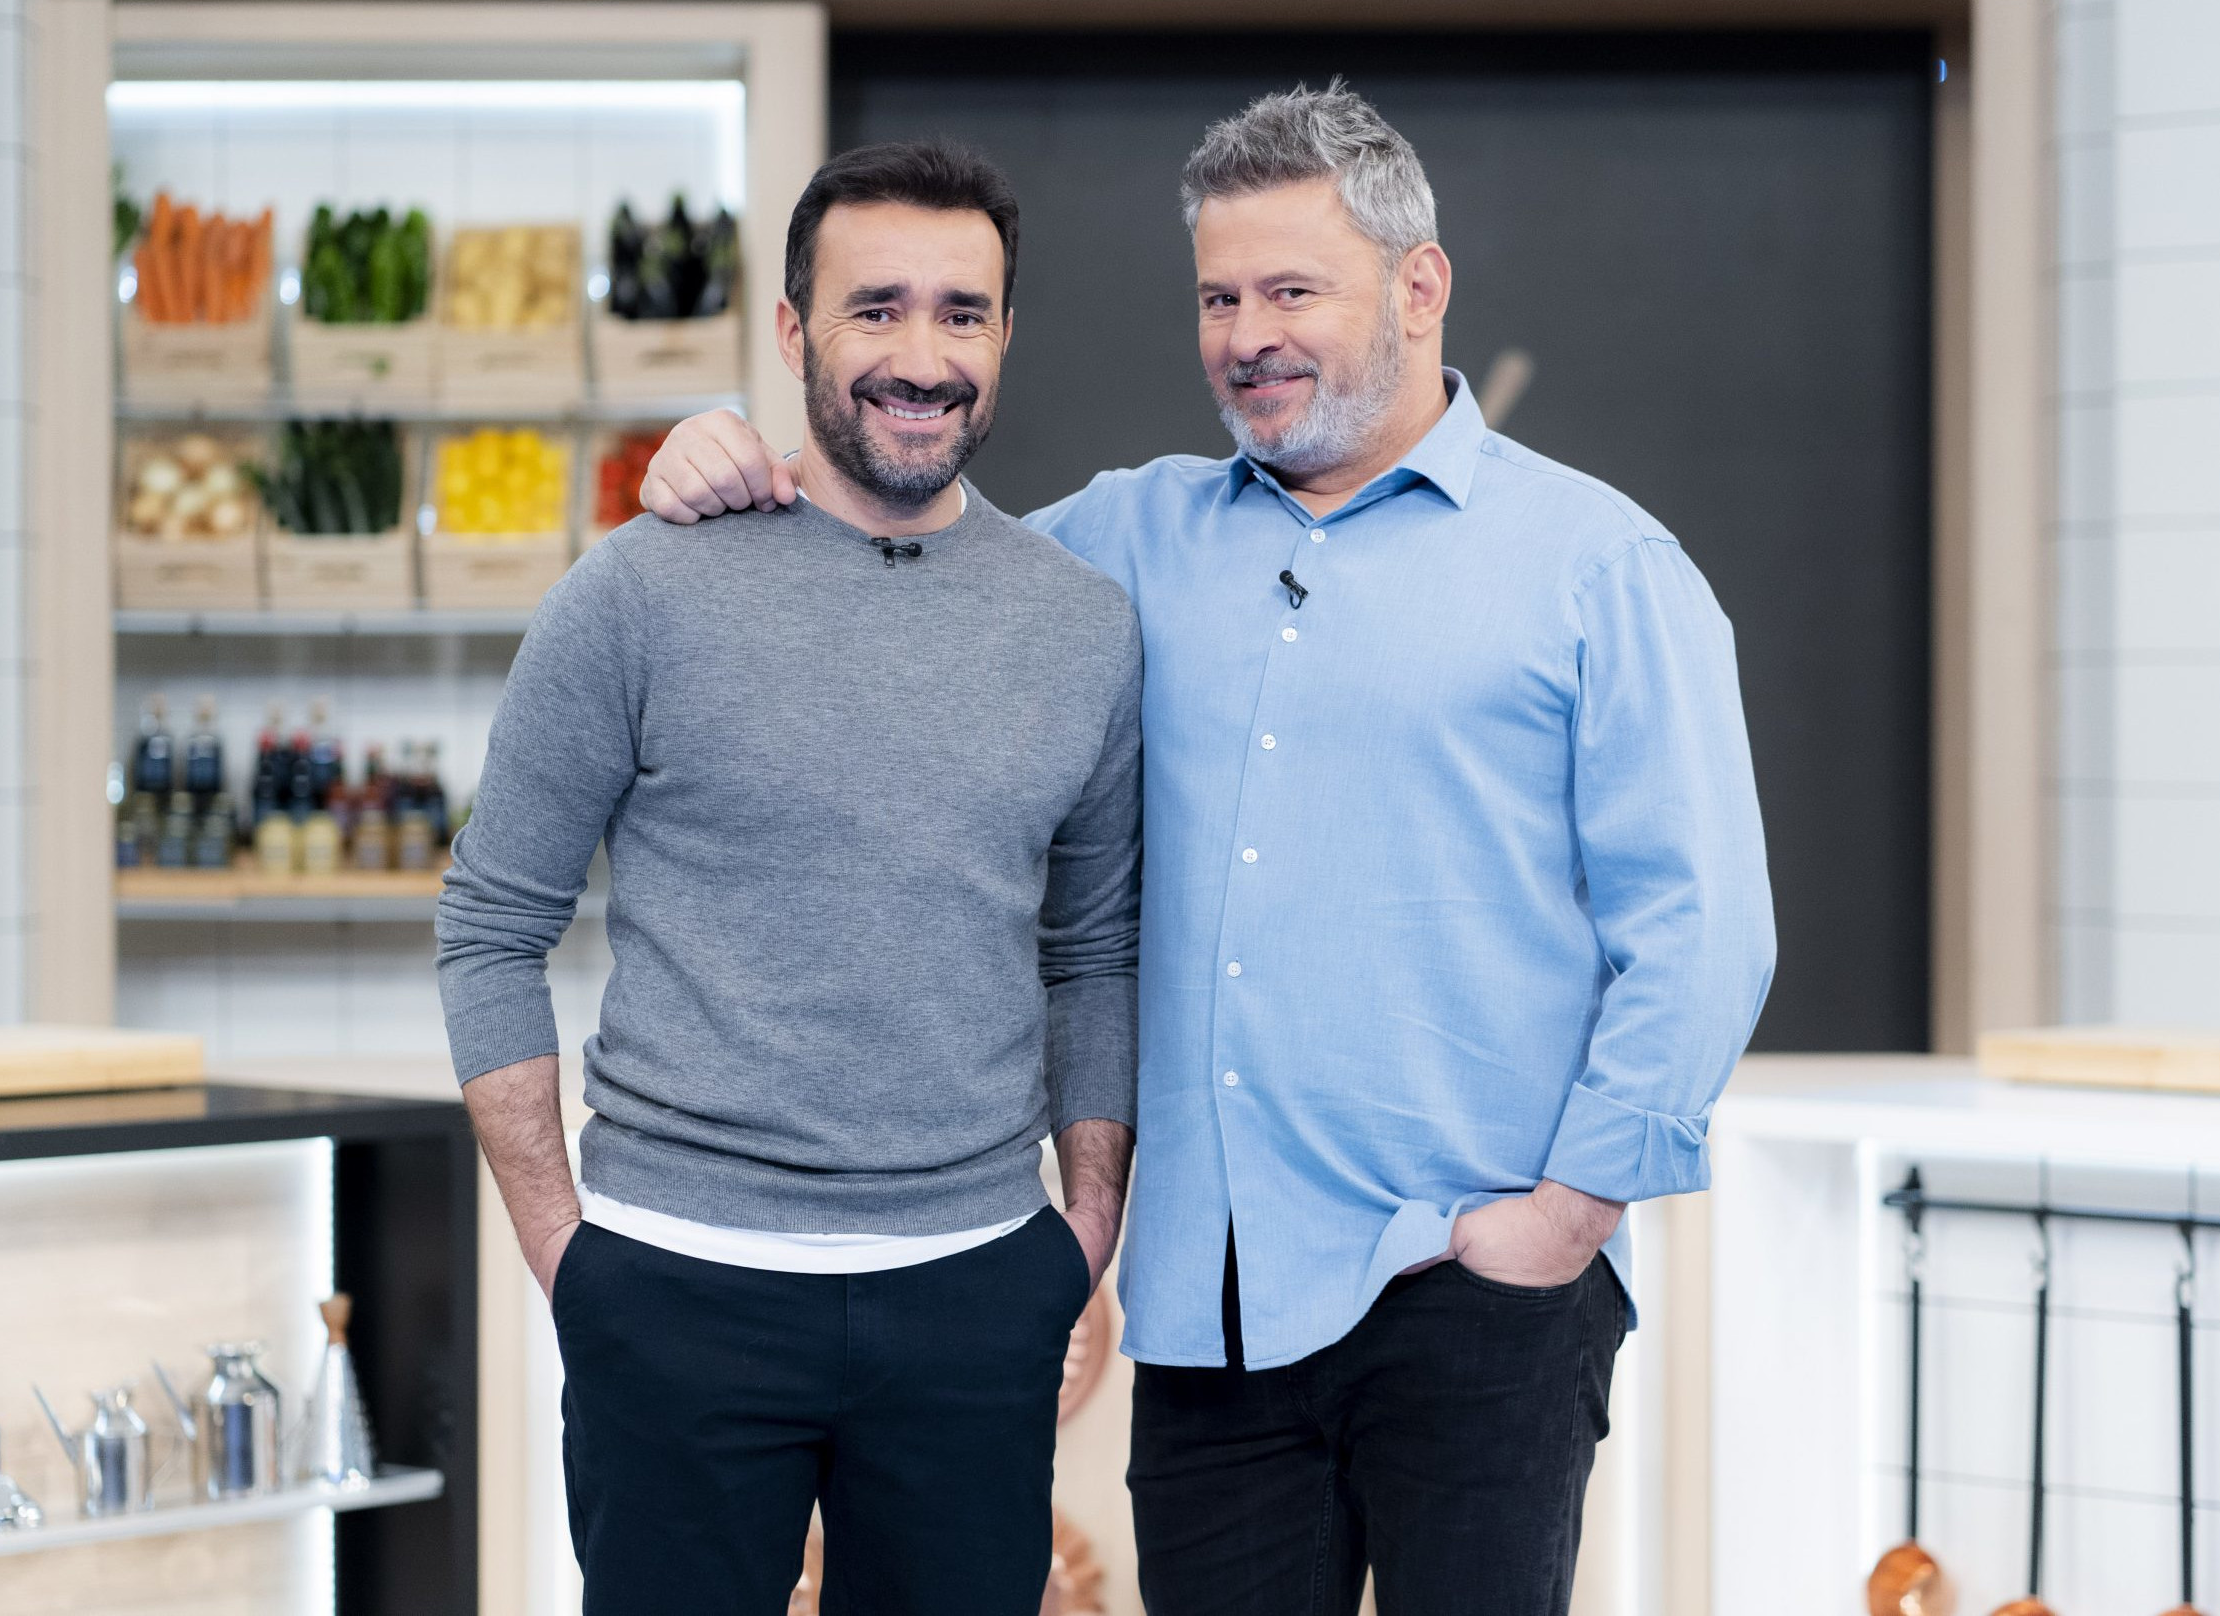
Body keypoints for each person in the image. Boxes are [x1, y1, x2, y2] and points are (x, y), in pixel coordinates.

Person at [640, 85, 1775, 1616]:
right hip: (1211, 1315)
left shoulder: (1599, 569)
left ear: (1418, 284)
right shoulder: (1122, 542)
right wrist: (737, 468)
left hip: (1473, 1285)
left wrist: (1567, 1217)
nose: (1249, 333)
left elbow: (1702, 927)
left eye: (1292, 288)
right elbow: (893, 558)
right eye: (1220, 296)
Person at [436, 140, 1141, 1616]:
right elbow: (491, 927)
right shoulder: (638, 592)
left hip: (972, 1291)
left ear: (1006, 336)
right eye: (874, 308)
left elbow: (1093, 952)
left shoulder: (1080, 628)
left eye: (963, 312)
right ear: (791, 331)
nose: (920, 353)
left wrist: (1077, 1241)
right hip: (674, 1291)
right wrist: (572, 1259)